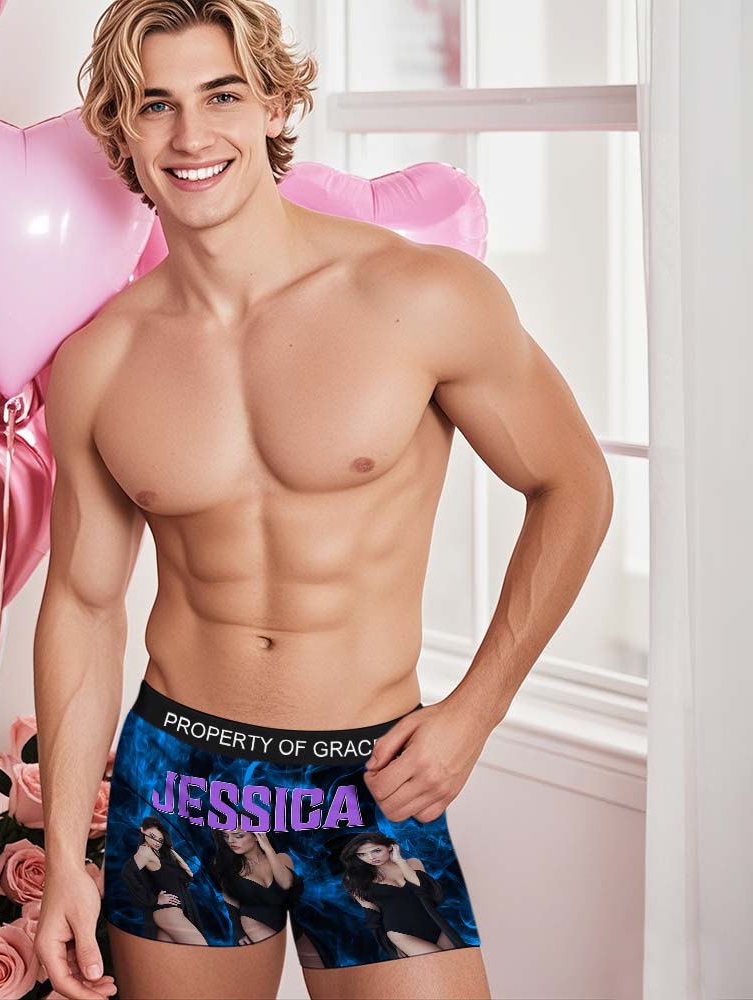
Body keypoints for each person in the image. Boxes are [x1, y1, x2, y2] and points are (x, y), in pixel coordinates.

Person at [33, 0, 613, 998]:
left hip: (370, 779)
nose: (191, 135)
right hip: (180, 783)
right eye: (156, 105)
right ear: (121, 131)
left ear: (273, 105)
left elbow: (573, 486)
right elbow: (84, 607)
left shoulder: (419, 296)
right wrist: (59, 863)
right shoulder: (100, 360)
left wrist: (475, 710)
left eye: (222, 95)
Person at [339, 833, 466, 958]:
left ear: (390, 847)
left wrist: (399, 861)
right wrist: (390, 945)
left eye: (376, 850)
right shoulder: (356, 878)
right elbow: (372, 914)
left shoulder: (412, 863)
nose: (371, 857)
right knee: (439, 962)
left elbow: (425, 889)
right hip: (400, 932)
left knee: (457, 962)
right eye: (362, 854)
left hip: (435, 923)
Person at [120, 816, 209, 943]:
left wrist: (171, 850)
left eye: (160, 840)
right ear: (142, 830)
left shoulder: (160, 854)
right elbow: (127, 873)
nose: (156, 842)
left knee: (171, 954)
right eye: (152, 836)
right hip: (168, 913)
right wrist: (154, 899)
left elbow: (189, 873)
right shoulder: (145, 851)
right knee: (201, 947)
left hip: (170, 913)